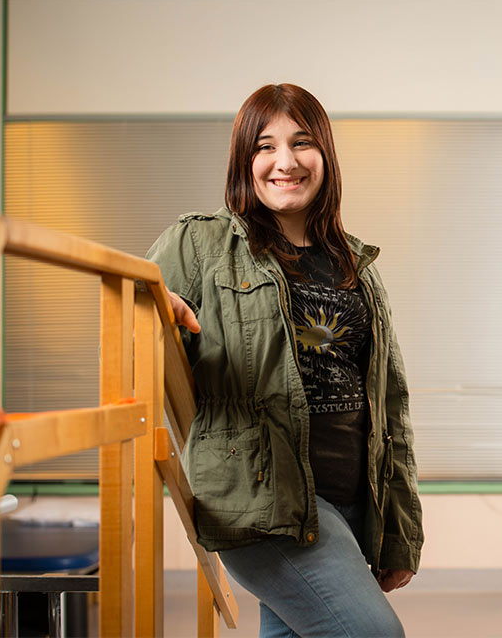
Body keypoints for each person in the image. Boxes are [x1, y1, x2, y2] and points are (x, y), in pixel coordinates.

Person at [148, 83, 422, 638]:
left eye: (302, 143)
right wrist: (155, 311)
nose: (286, 162)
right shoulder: (200, 244)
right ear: (245, 162)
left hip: (349, 502)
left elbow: (390, 408)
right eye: (265, 147)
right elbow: (127, 320)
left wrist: (399, 528)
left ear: (325, 156)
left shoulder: (357, 267)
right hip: (262, 503)